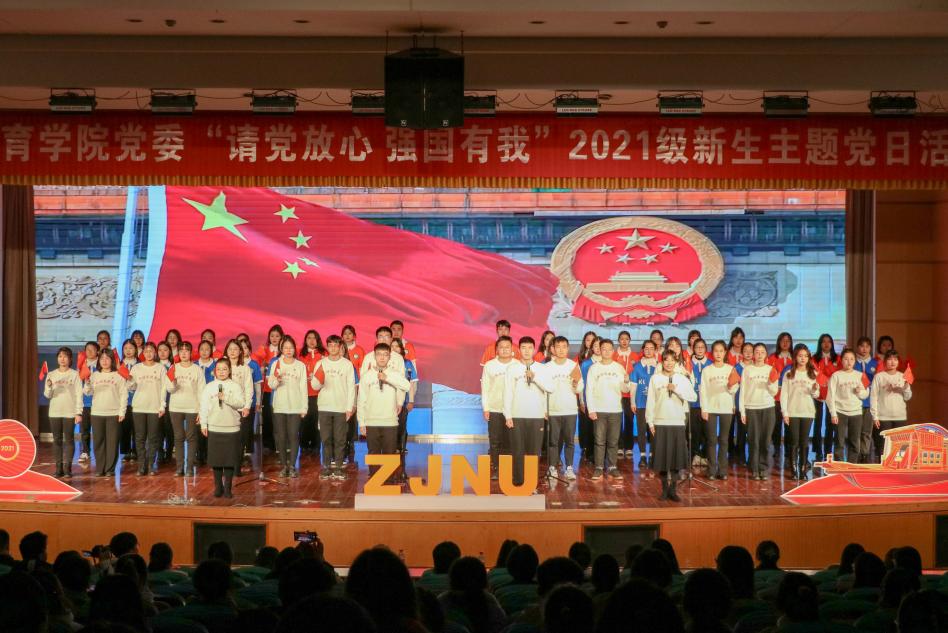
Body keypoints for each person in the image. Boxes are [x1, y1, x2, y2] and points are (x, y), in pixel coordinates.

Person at [647, 350, 697, 501]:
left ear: (676, 362)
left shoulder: (682, 378)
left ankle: (673, 489)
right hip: (660, 421)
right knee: (661, 458)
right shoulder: (655, 378)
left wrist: (676, 389)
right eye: (666, 360)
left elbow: (693, 397)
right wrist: (650, 421)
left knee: (676, 458)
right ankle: (664, 489)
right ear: (662, 362)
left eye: (672, 360)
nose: (669, 363)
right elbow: (651, 401)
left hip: (677, 421)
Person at [503, 337, 549, 490]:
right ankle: (518, 482)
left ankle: (531, 483)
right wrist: (508, 415)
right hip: (517, 414)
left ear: (534, 349)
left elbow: (550, 388)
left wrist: (535, 378)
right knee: (517, 450)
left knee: (534, 451)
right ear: (519, 349)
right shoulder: (512, 369)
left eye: (530, 348)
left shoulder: (542, 368)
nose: (527, 351)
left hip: (536, 415)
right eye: (523, 348)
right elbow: (507, 392)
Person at [357, 343, 411, 473]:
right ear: (374, 356)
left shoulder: (394, 373)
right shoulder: (367, 376)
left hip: (390, 421)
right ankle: (374, 479)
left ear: (389, 357)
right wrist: (362, 422)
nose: (382, 357)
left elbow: (407, 386)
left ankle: (389, 480)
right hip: (372, 421)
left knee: (390, 455)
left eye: (385, 355)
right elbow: (361, 400)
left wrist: (388, 378)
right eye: (379, 354)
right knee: (373, 454)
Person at [585, 339, 631, 481]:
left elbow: (625, 390)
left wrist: (626, 382)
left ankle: (612, 467)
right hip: (599, 409)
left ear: (613, 351)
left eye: (609, 349)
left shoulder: (619, 368)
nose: (606, 351)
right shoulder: (594, 368)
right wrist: (591, 409)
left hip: (615, 409)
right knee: (599, 440)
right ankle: (599, 467)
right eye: (603, 349)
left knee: (613, 440)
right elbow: (589, 390)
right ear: (599, 350)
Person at [312, 334, 357, 481]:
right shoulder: (321, 363)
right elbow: (314, 386)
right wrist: (319, 377)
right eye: (330, 345)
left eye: (335, 345)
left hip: (341, 407)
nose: (333, 348)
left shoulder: (347, 364)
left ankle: (338, 468)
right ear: (327, 347)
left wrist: (349, 407)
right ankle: (326, 467)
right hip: (325, 406)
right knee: (326, 438)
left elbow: (351, 387)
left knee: (340, 439)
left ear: (340, 347)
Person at [199, 358, 246, 498]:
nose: (221, 372)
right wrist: (203, 424)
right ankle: (218, 487)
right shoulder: (209, 387)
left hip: (231, 427)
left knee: (229, 460)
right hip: (214, 426)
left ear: (229, 370)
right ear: (215, 371)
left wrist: (226, 398)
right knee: (217, 460)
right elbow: (203, 406)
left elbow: (241, 403)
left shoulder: (235, 386)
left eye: (224, 369)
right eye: (218, 369)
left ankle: (228, 488)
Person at [268, 335, 309, 478]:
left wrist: (304, 407)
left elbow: (303, 388)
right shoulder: (276, 364)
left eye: (291, 347)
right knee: (281, 437)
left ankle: (292, 466)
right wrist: (277, 380)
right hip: (279, 406)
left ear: (294, 349)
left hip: (295, 406)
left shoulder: (300, 366)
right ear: (281, 349)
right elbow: (271, 384)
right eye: (285, 347)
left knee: (293, 435)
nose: (288, 350)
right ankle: (284, 466)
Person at [699, 341, 740, 480]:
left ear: (725, 352)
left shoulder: (730, 368)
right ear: (712, 353)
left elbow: (735, 388)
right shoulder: (707, 370)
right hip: (710, 408)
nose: (718, 354)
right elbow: (703, 390)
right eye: (716, 351)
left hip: (726, 407)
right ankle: (711, 470)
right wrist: (704, 408)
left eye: (721, 351)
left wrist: (730, 386)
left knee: (724, 440)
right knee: (711, 440)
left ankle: (722, 471)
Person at [780, 344, 821, 480]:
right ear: (795, 357)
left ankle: (803, 469)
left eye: (805, 356)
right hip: (792, 412)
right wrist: (785, 412)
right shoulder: (789, 374)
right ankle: (793, 470)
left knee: (804, 442)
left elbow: (816, 395)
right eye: (800, 356)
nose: (803, 358)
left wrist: (814, 389)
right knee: (793, 441)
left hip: (807, 412)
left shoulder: (813, 374)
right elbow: (784, 395)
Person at [84, 348, 127, 477]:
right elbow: (88, 392)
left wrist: (122, 412)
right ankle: (100, 468)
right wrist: (87, 384)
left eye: (107, 358)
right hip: (97, 413)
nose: (104, 361)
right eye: (102, 358)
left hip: (114, 413)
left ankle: (110, 469)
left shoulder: (118, 375)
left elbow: (123, 394)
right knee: (98, 442)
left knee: (112, 442)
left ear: (112, 360)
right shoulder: (94, 375)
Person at [739, 343, 779, 480]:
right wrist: (742, 411)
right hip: (751, 408)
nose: (760, 354)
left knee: (765, 440)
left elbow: (774, 392)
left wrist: (770, 383)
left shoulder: (770, 369)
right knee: (753, 440)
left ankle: (763, 468)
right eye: (757, 352)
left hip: (768, 407)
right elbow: (742, 391)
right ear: (753, 355)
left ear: (766, 354)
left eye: (762, 352)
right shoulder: (747, 370)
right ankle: (754, 468)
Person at [545, 336, 583, 480]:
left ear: (568, 349)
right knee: (553, 441)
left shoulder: (573, 366)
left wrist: (575, 385)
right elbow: (543, 390)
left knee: (569, 441)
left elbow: (580, 387)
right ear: (553, 349)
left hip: (570, 410)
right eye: (558, 347)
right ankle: (552, 467)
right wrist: (544, 409)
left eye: (564, 347)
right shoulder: (547, 367)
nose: (561, 350)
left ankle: (569, 468)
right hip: (553, 410)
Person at [165, 341, 205, 476]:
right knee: (178, 437)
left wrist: (201, 410)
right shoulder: (173, 368)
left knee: (191, 437)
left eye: (186, 350)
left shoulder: (197, 369)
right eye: (181, 350)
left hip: (192, 408)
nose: (183, 353)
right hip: (176, 407)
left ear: (191, 353)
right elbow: (169, 389)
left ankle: (189, 468)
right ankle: (179, 468)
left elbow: (202, 391)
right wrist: (174, 383)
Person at [44, 346, 83, 479]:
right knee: (57, 440)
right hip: (55, 412)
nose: (62, 359)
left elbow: (79, 394)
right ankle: (58, 468)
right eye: (60, 356)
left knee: (69, 440)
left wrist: (78, 412)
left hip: (69, 412)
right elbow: (47, 395)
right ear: (57, 359)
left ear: (70, 359)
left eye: (65, 356)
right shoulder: (51, 374)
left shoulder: (74, 374)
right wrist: (49, 386)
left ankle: (68, 469)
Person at [127, 341, 166, 476]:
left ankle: (150, 465)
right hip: (139, 407)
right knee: (139, 437)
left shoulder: (161, 368)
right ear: (142, 353)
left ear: (155, 353)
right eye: (146, 351)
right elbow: (131, 388)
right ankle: (141, 465)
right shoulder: (136, 368)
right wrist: (130, 380)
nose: (149, 353)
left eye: (151, 351)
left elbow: (163, 389)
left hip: (154, 407)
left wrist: (162, 405)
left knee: (153, 438)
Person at [826, 348, 870, 463]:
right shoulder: (836, 376)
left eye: (851, 359)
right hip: (840, 412)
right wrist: (833, 413)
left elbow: (866, 394)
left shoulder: (861, 375)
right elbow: (830, 396)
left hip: (856, 413)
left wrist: (859, 392)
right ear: (841, 360)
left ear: (855, 361)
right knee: (839, 442)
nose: (849, 362)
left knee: (855, 442)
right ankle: (840, 467)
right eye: (846, 359)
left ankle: (851, 466)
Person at [481, 336, 515, 479]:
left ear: (512, 349)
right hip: (495, 409)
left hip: (513, 410)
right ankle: (496, 468)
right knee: (495, 441)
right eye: (501, 347)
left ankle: (510, 469)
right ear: (496, 350)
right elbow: (485, 388)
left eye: (507, 347)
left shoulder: (517, 365)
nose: (505, 350)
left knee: (511, 441)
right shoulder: (490, 366)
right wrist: (486, 407)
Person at [870, 349, 913, 460]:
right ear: (885, 361)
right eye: (889, 359)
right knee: (883, 447)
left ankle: (899, 467)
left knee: (901, 446)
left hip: (900, 416)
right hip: (883, 417)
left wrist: (905, 387)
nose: (892, 362)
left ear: (898, 362)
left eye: (895, 359)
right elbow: (873, 397)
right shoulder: (879, 377)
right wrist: (875, 416)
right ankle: (883, 467)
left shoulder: (903, 376)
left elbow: (908, 397)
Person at [223, 339, 254, 475]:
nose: (232, 351)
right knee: (226, 438)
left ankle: (237, 467)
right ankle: (226, 466)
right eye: (230, 349)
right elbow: (218, 386)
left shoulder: (245, 368)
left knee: (239, 439)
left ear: (240, 351)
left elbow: (249, 388)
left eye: (235, 349)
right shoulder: (222, 366)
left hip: (240, 408)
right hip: (225, 408)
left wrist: (247, 406)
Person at [390, 338, 418, 478]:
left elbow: (411, 383)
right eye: (392, 346)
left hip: (403, 400)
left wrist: (411, 400)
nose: (394, 349)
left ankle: (400, 450)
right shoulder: (386, 362)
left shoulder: (407, 363)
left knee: (401, 425)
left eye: (397, 346)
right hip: (387, 401)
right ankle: (390, 450)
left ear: (402, 349)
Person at [629, 340, 658, 468]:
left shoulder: (659, 366)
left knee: (653, 430)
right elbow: (633, 386)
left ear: (655, 350)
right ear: (643, 350)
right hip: (641, 403)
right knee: (641, 430)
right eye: (646, 348)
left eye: (651, 348)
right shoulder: (637, 367)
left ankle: (652, 455)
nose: (649, 351)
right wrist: (632, 402)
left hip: (655, 405)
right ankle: (642, 456)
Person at [257, 324, 285, 452]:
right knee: (268, 417)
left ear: (282, 337)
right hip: (267, 390)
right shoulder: (264, 350)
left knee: (279, 418)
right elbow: (255, 362)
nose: (274, 338)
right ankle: (268, 444)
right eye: (272, 336)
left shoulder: (285, 351)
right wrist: (262, 367)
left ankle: (280, 444)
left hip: (281, 389)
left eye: (277, 336)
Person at [812, 333, 839, 461]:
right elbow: (813, 374)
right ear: (820, 344)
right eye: (823, 341)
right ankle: (818, 451)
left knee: (830, 423)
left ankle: (828, 450)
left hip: (832, 394)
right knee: (817, 423)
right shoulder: (814, 358)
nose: (826, 344)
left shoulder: (838, 358)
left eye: (829, 341)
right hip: (817, 393)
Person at [769, 332, 794, 467]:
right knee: (776, 425)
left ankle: (789, 450)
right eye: (783, 340)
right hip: (776, 396)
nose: (785, 343)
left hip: (791, 397)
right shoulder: (772, 358)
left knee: (789, 425)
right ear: (778, 342)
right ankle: (777, 448)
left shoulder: (795, 358)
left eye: (788, 340)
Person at [299, 329, 326, 454]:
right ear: (305, 340)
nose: (311, 340)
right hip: (304, 393)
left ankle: (316, 445)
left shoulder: (324, 354)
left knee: (317, 421)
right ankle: (304, 445)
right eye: (309, 338)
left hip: (320, 394)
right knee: (304, 420)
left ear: (318, 340)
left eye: (314, 338)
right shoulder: (300, 354)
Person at [853, 337, 878, 463]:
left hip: (869, 402)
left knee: (866, 431)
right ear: (857, 347)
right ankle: (855, 453)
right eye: (862, 346)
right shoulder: (852, 362)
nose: (864, 349)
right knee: (856, 431)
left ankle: (864, 454)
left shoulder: (876, 364)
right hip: (855, 402)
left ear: (870, 348)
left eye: (867, 346)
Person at [615, 330, 640, 460]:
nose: (624, 341)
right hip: (617, 393)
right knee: (617, 421)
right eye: (622, 339)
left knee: (629, 421)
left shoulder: (635, 356)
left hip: (630, 394)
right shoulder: (613, 355)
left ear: (630, 340)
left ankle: (629, 447)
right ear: (618, 341)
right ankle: (619, 446)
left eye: (626, 339)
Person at [578, 337, 602, 464]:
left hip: (604, 403)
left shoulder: (608, 363)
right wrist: (582, 401)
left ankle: (601, 456)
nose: (598, 348)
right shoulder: (586, 364)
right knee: (590, 429)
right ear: (592, 348)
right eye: (596, 346)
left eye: (600, 345)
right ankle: (590, 454)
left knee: (601, 430)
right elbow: (581, 384)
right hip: (589, 402)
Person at [689, 339, 711, 468]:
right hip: (693, 403)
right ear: (693, 349)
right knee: (694, 431)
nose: (700, 349)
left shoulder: (710, 364)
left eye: (702, 347)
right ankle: (695, 454)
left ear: (705, 349)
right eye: (697, 347)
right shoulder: (688, 363)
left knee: (707, 431)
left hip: (707, 404)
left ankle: (704, 455)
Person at [77, 340, 99, 464]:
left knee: (98, 430)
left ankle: (99, 452)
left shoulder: (102, 364)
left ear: (97, 351)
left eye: (92, 349)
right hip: (84, 402)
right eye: (87, 350)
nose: (89, 352)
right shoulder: (81, 365)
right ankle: (85, 451)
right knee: (84, 429)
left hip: (99, 402)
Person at [118, 338, 140, 462]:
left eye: (131, 348)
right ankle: (126, 451)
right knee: (124, 427)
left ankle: (136, 450)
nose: (128, 351)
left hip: (138, 399)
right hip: (123, 401)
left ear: (135, 350)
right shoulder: (118, 365)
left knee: (137, 427)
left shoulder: (141, 365)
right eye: (125, 348)